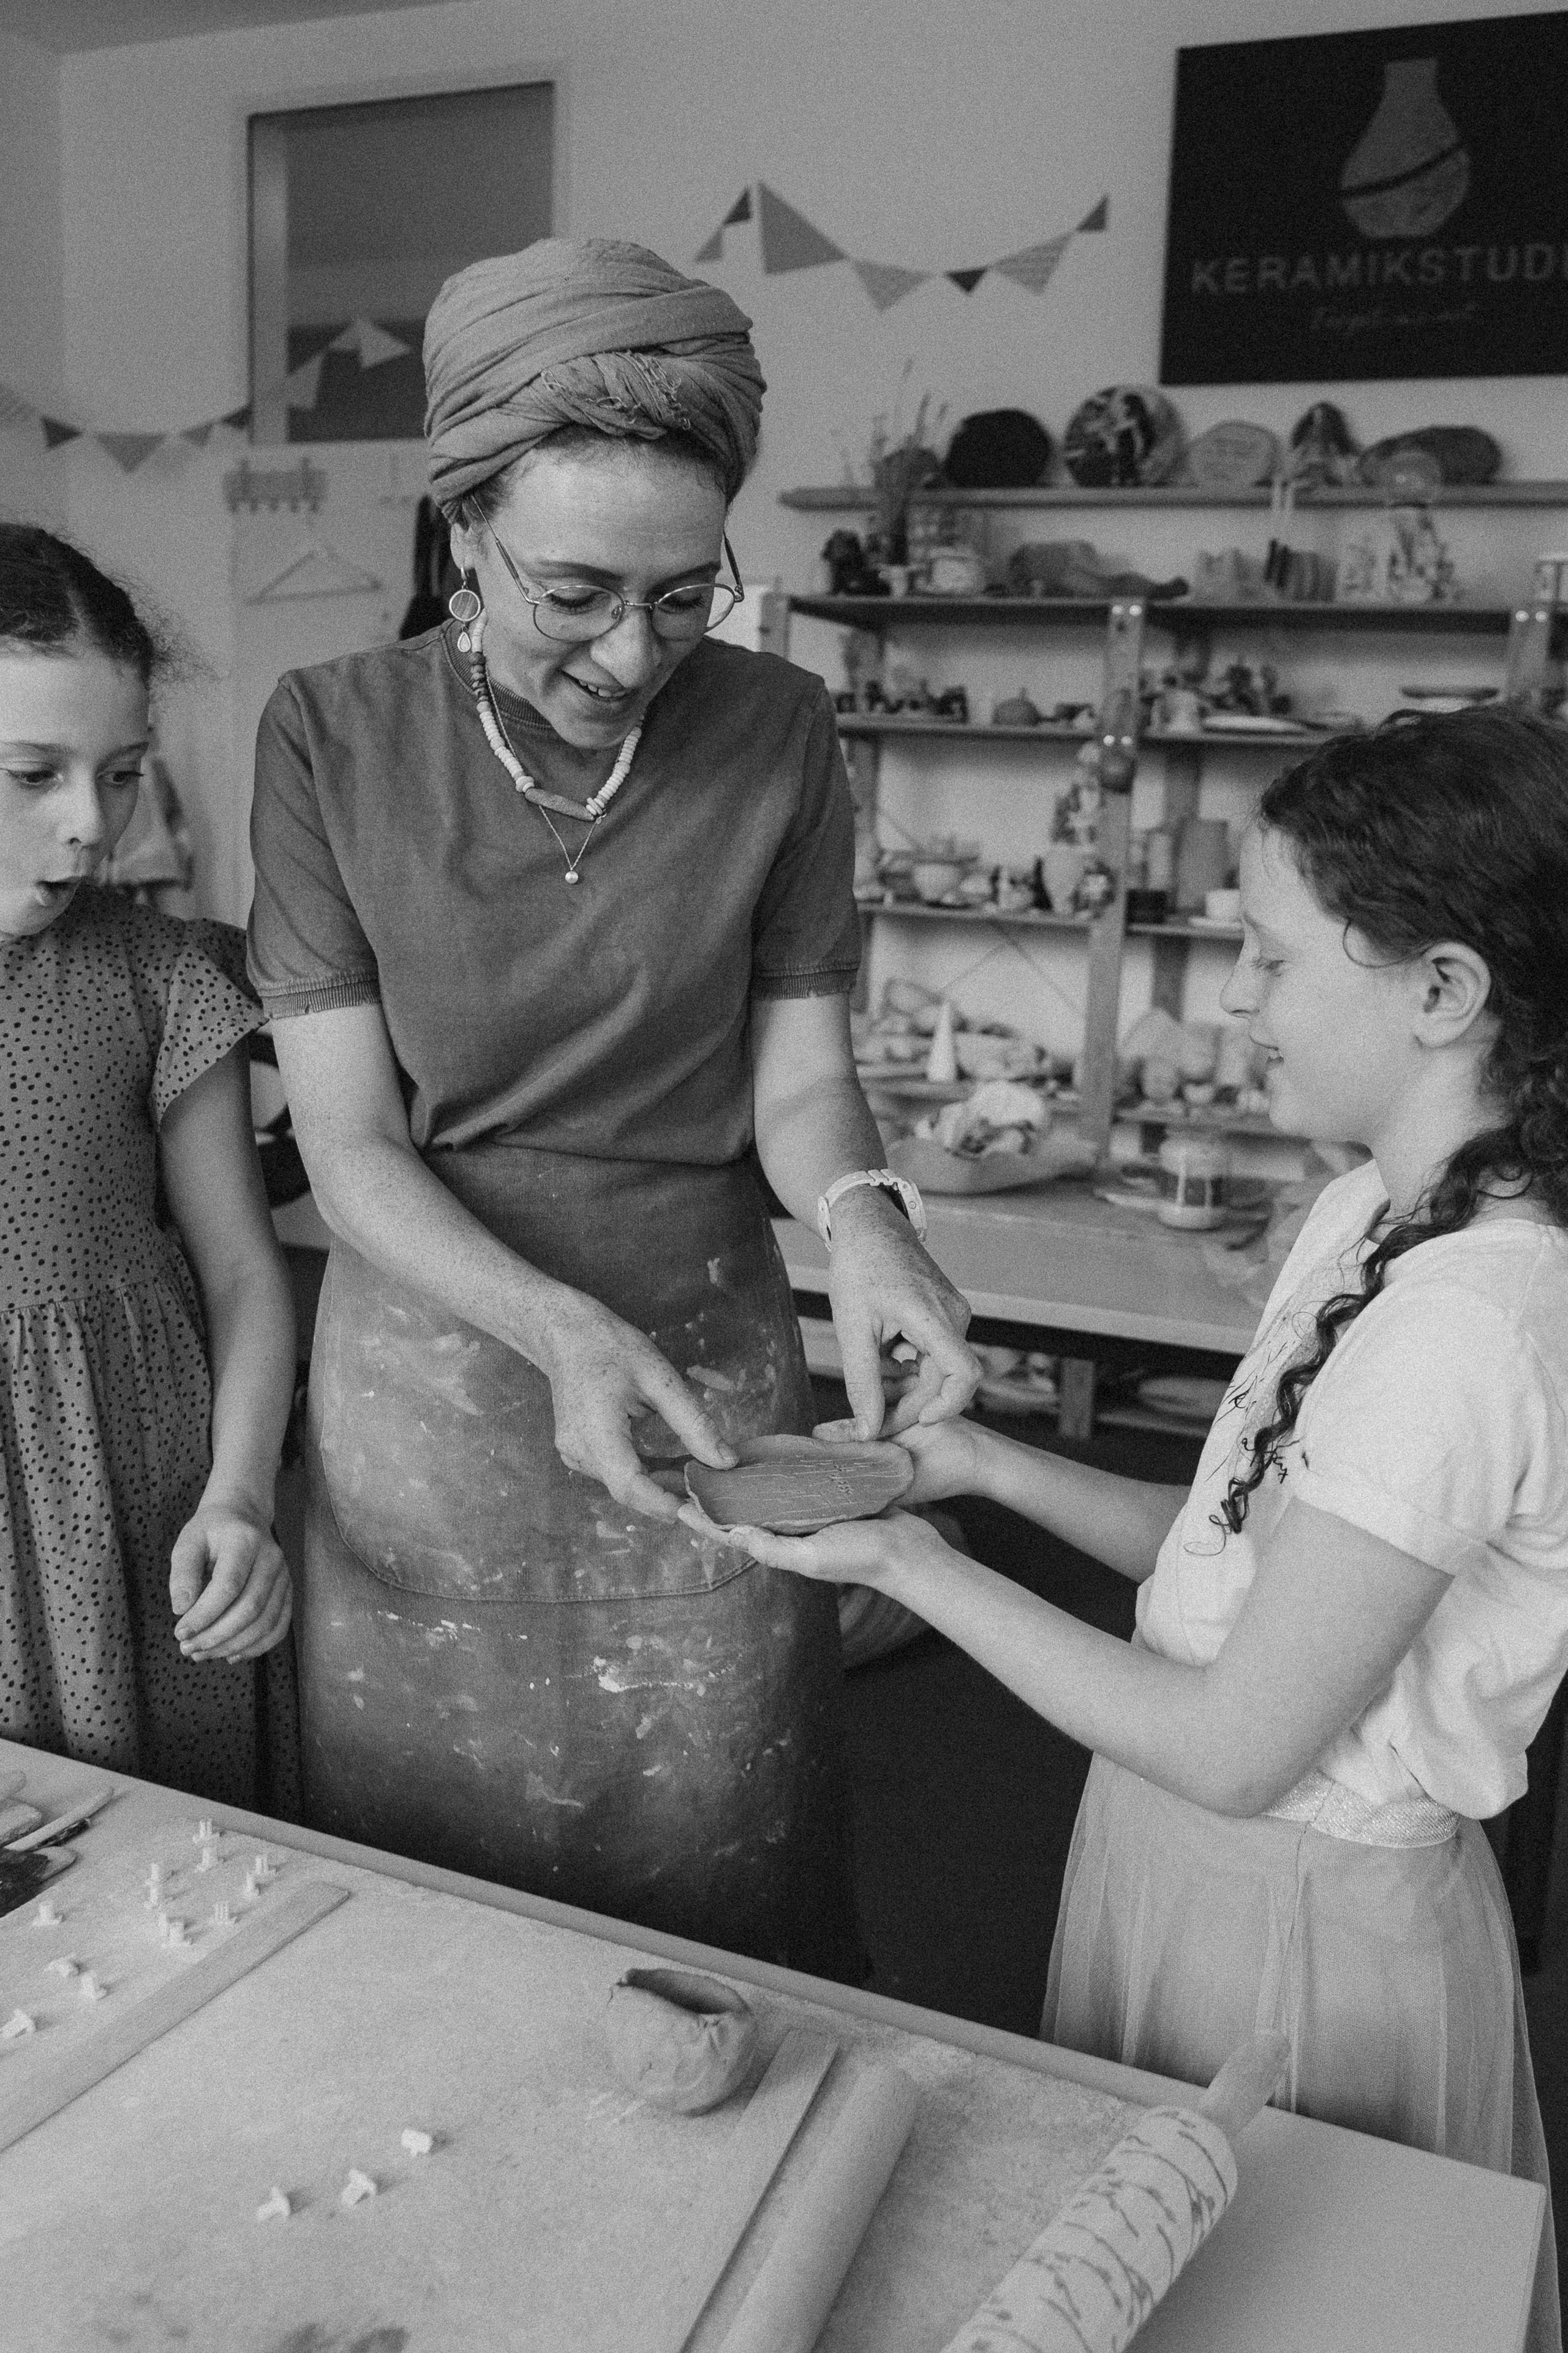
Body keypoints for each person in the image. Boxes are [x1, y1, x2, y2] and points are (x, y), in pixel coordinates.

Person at [704, 706, 1566, 2347]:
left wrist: (906, 1562)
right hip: (1191, 1866)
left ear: (1445, 992)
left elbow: (1243, 1739)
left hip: (1301, 1919)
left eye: (1271, 954)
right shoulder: (1367, 1206)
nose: (1236, 999)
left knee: (1256, 2301)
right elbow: (1255, 1559)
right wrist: (991, 1469)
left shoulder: (1477, 1318)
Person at [247, 238, 976, 1973]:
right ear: (463, 540)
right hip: (436, 1365)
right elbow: (348, 1146)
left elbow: (800, 1077)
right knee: (444, 1853)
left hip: (714, 1363)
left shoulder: (785, 731)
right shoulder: (331, 737)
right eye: (576, 594)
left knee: (717, 1831)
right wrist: (555, 1330)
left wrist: (872, 1233)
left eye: (681, 593)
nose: (637, 651)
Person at [1, 525, 296, 1805]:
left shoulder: (155, 973)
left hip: (141, 1509)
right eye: (31, 773)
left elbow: (240, 1271)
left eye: (119, 774)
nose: (90, 827)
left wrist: (241, 1497)